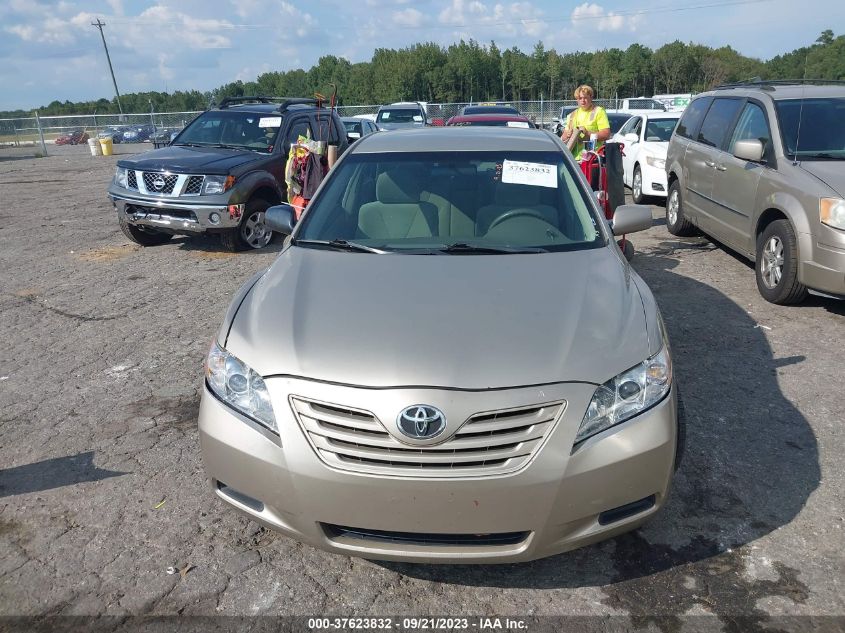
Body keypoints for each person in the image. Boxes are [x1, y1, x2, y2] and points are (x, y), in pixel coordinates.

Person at [560, 85, 611, 160]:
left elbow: (606, 134)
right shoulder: (572, 115)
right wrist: (567, 135)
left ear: (591, 97)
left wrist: (588, 134)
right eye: (580, 98)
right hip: (573, 160)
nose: (583, 101)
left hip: (592, 160)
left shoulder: (599, 111)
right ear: (577, 99)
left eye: (585, 98)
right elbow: (563, 137)